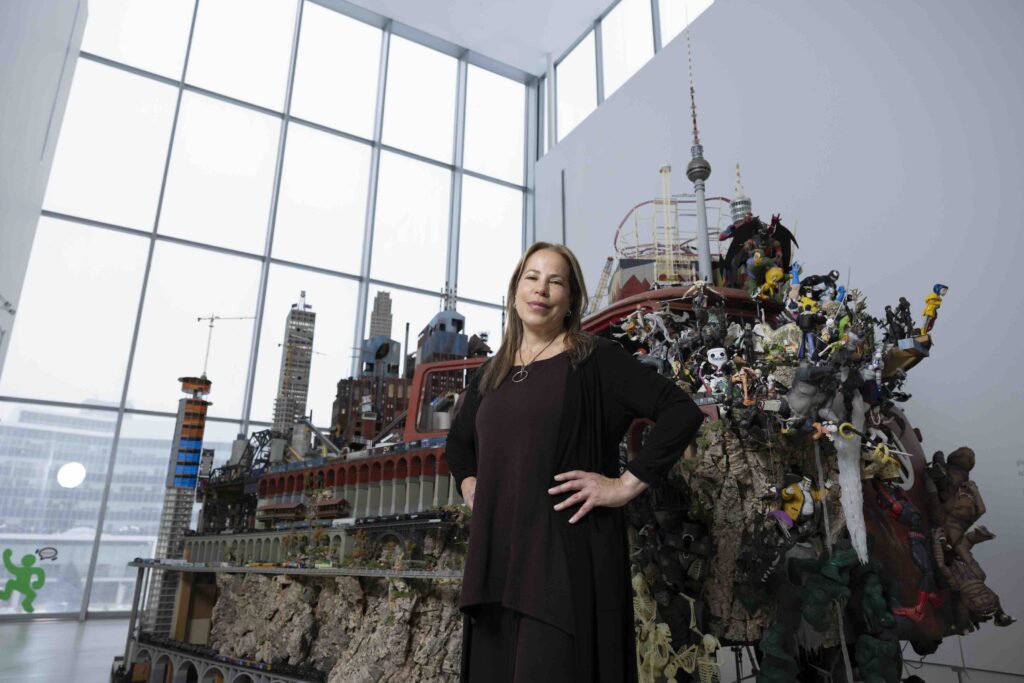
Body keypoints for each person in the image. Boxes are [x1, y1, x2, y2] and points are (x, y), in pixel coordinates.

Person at [445, 242, 705, 682]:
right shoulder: (492, 372)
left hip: (563, 563)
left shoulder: (595, 359)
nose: (541, 289)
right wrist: (470, 485)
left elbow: (681, 412)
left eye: (556, 281)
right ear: (514, 291)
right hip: (497, 562)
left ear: (571, 300)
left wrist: (623, 485)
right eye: (532, 277)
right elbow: (458, 443)